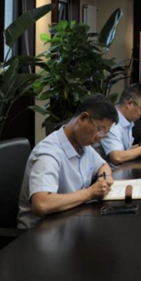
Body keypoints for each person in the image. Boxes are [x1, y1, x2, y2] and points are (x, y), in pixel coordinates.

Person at [17, 95, 116, 229]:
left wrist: (105, 177)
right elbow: (41, 204)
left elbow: (103, 166)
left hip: (70, 221)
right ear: (83, 118)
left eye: (104, 133)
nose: (99, 138)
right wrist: (90, 193)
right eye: (100, 130)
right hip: (40, 232)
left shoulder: (83, 145)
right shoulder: (49, 153)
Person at [95, 85, 141, 167]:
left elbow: (124, 151)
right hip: (109, 172)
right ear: (129, 103)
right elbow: (117, 157)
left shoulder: (126, 120)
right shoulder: (111, 122)